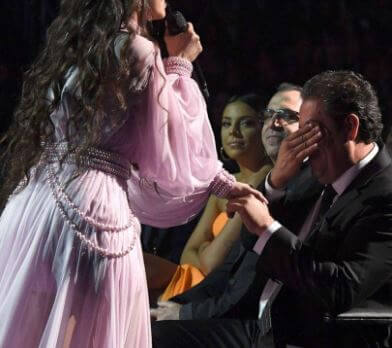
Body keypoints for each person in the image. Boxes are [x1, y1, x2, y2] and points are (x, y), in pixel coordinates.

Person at [0, 0, 261, 348]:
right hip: (93, 212)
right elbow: (167, 152)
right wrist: (180, 66)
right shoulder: (139, 51)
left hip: (37, 205)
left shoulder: (73, 44)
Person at [151, 84, 325, 348]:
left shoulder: (304, 187)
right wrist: (178, 305)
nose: (274, 122)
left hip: (261, 324)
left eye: (287, 115)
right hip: (217, 299)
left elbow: (242, 282)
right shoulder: (264, 184)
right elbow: (221, 268)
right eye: (268, 114)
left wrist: (183, 312)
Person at [228, 70, 392, 347]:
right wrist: (276, 182)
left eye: (314, 131)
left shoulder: (385, 196)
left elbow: (341, 289)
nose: (305, 145)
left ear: (350, 128)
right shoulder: (312, 171)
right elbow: (250, 239)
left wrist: (267, 228)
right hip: (260, 327)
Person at [159, 93, 272, 301]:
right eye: (227, 124)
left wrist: (204, 249)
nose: (233, 132)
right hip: (196, 277)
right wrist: (203, 252)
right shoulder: (225, 183)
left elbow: (211, 263)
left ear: (264, 130)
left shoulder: (265, 179)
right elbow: (189, 253)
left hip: (226, 291)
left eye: (245, 123)